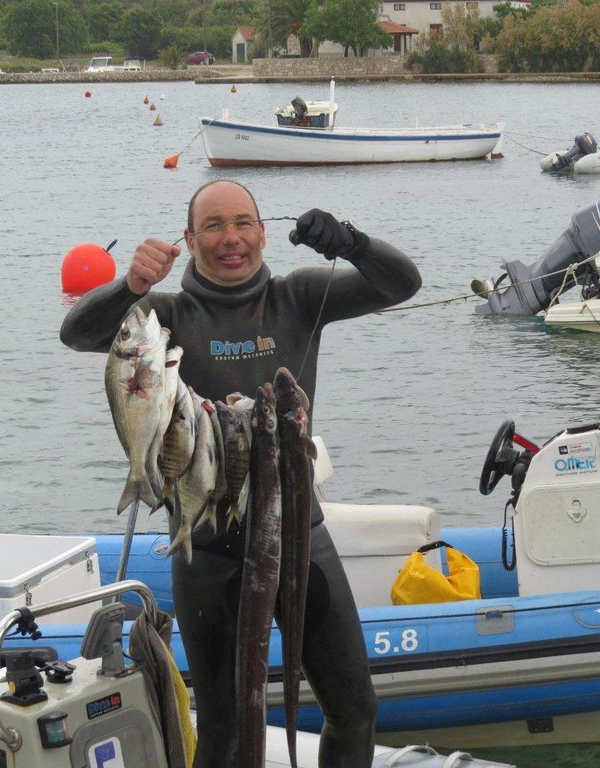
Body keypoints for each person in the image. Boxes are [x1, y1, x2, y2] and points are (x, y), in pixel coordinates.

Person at [60, 180, 422, 768]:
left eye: (243, 223)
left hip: (301, 536)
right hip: (208, 549)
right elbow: (77, 333)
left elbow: (401, 283)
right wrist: (131, 286)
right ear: (189, 240)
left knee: (355, 709)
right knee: (223, 732)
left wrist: (350, 242)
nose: (231, 238)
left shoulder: (298, 296)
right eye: (213, 226)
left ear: (262, 232)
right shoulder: (164, 317)